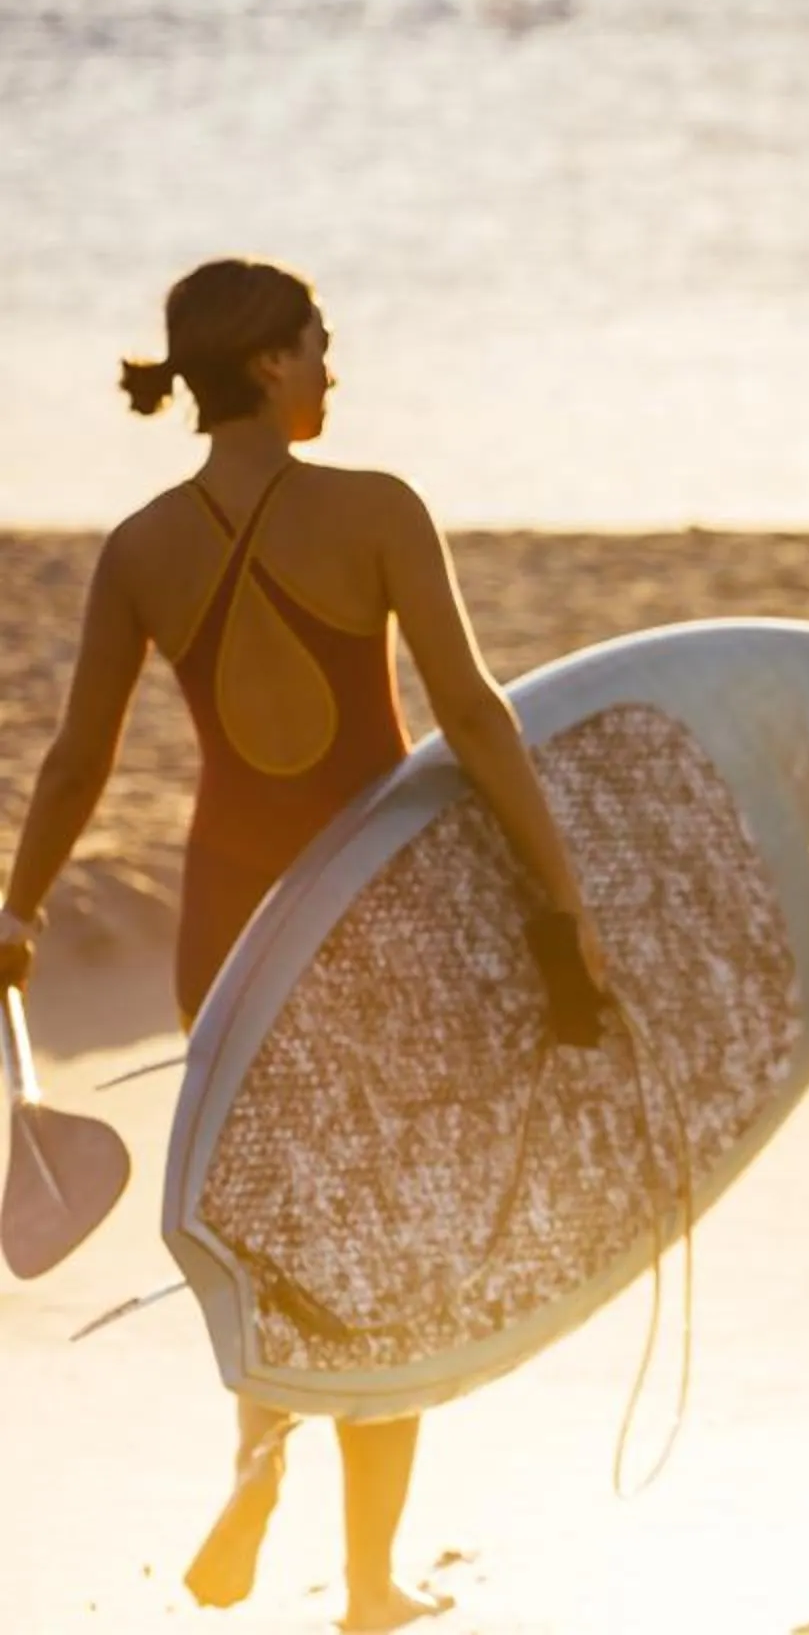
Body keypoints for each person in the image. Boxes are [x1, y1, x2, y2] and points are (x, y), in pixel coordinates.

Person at [0, 259, 613, 1630]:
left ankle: (253, 1460)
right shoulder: (379, 511)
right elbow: (473, 712)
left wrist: (19, 907)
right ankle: (375, 1584)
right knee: (384, 1242)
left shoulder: (140, 547)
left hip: (226, 918)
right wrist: (561, 896)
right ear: (271, 365)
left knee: (269, 1224)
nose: (334, 366)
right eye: (320, 344)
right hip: (375, 918)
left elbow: (76, 759)